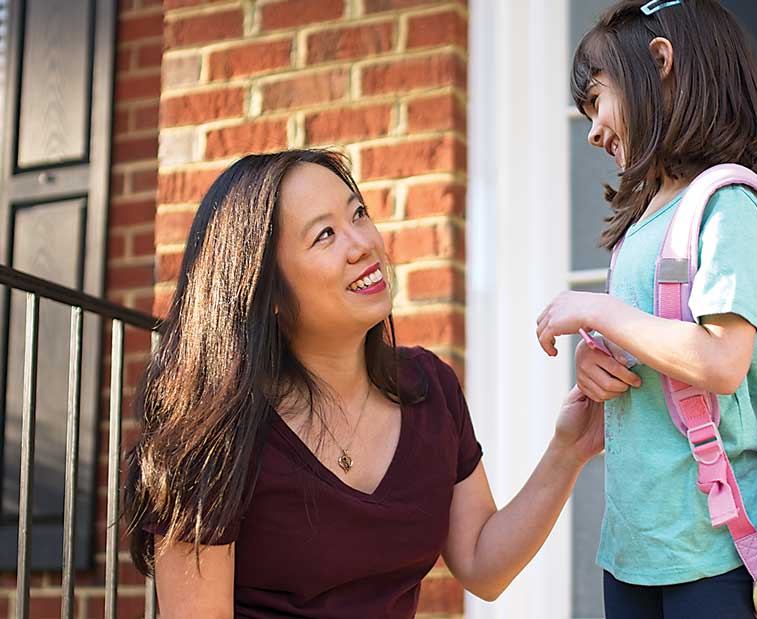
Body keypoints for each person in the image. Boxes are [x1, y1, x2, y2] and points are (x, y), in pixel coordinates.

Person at [123, 149, 604, 619]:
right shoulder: (215, 436)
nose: (362, 244)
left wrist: (568, 449)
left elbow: (482, 564)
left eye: (358, 214)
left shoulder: (430, 389)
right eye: (325, 235)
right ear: (266, 291)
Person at [536, 1, 757, 616]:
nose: (592, 131)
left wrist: (598, 312)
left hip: (714, 548)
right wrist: (599, 367)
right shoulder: (646, 217)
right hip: (632, 550)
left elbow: (721, 360)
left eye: (597, 100)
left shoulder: (729, 203)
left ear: (660, 61)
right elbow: (654, 346)